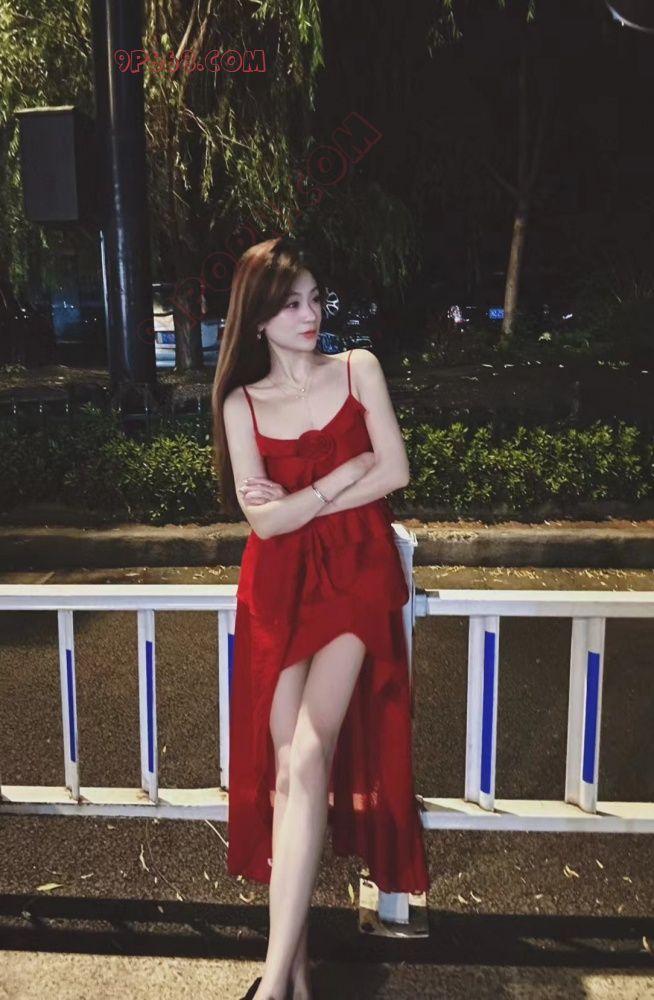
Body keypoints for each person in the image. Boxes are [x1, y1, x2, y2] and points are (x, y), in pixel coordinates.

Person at [212, 236, 429, 1000]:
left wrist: (307, 496)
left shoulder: (358, 368)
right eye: (290, 304)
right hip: (279, 585)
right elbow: (265, 523)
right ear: (257, 320)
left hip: (355, 576)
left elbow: (396, 468)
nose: (310, 315)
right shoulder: (241, 404)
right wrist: (344, 475)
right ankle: (296, 978)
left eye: (314, 299)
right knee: (286, 776)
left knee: (308, 753)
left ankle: (271, 985)